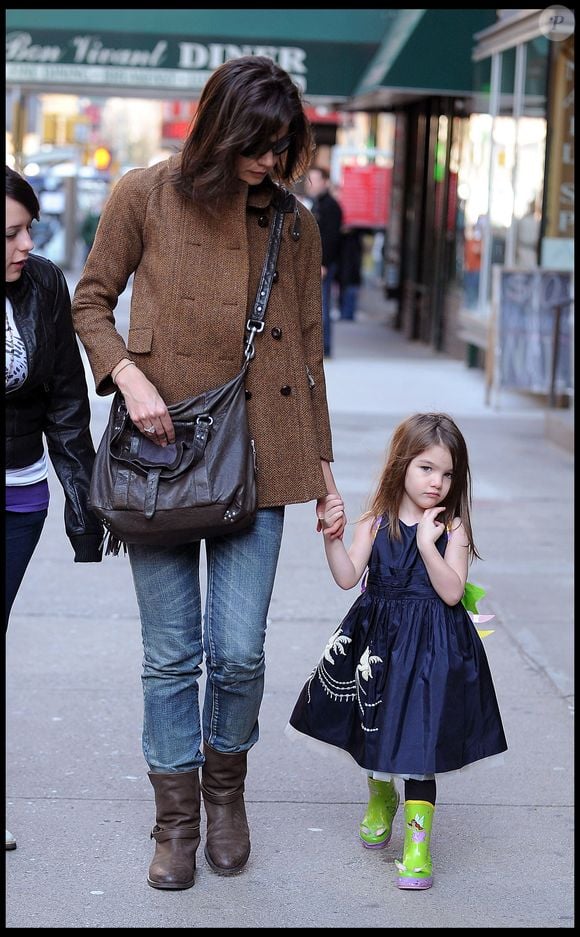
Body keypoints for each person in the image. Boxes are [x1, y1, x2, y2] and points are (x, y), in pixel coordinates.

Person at [71, 55, 345, 890]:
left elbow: (305, 345)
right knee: (170, 657)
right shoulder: (142, 194)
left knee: (237, 655)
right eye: (258, 145)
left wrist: (325, 469)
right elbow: (91, 299)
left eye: (282, 145)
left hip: (260, 456)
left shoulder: (294, 223)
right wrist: (129, 374)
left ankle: (226, 795)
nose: (271, 160)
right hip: (159, 458)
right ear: (220, 131)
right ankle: (176, 822)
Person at [289, 412, 507, 890]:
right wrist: (332, 541)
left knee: (420, 743)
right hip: (381, 644)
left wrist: (429, 545)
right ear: (402, 465)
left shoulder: (453, 530)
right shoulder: (377, 522)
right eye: (427, 468)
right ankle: (380, 795)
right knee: (375, 728)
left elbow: (452, 593)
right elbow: (348, 578)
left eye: (448, 474)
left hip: (432, 651)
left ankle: (416, 849)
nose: (437, 482)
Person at [5, 165, 104, 851]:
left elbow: (67, 395)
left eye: (27, 230)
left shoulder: (43, 281)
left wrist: (84, 497)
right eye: (11, 234)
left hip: (21, 494)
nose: (26, 245)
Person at [304, 166, 343, 356]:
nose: (310, 184)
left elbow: (331, 237)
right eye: (308, 180)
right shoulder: (316, 203)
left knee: (322, 305)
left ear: (325, 182)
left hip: (323, 264)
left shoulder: (331, 206)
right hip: (316, 263)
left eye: (314, 180)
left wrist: (323, 263)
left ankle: (324, 346)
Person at [336, 226, 363, 321]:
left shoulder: (348, 239)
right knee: (349, 293)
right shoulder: (356, 238)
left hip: (348, 272)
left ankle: (346, 314)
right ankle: (347, 314)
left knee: (348, 293)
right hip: (350, 272)